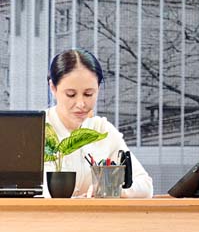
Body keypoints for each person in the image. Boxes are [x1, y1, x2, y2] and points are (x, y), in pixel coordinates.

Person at [43, 48, 154, 198]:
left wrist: (112, 190)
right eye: (71, 94)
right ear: (53, 88)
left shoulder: (101, 130)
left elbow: (145, 186)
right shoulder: (36, 130)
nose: (81, 103)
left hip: (94, 213)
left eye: (88, 94)